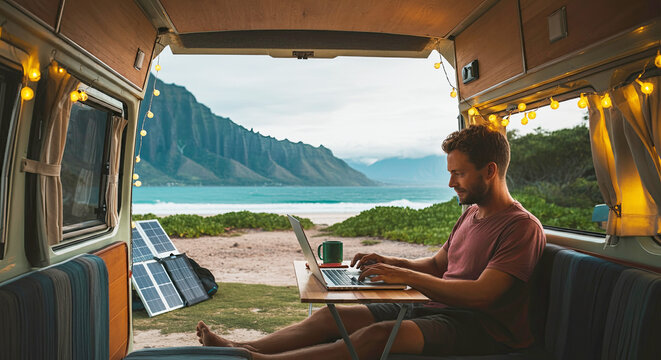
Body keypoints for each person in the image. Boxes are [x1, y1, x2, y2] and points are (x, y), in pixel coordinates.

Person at [196, 124, 546, 359]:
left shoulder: (520, 227)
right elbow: (440, 265)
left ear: (489, 171)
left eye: (459, 173)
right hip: (438, 306)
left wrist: (407, 278)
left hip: (480, 327)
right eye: (450, 173)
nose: (452, 183)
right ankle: (239, 349)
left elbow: (482, 294)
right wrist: (393, 263)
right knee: (330, 320)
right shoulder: (472, 214)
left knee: (376, 336)